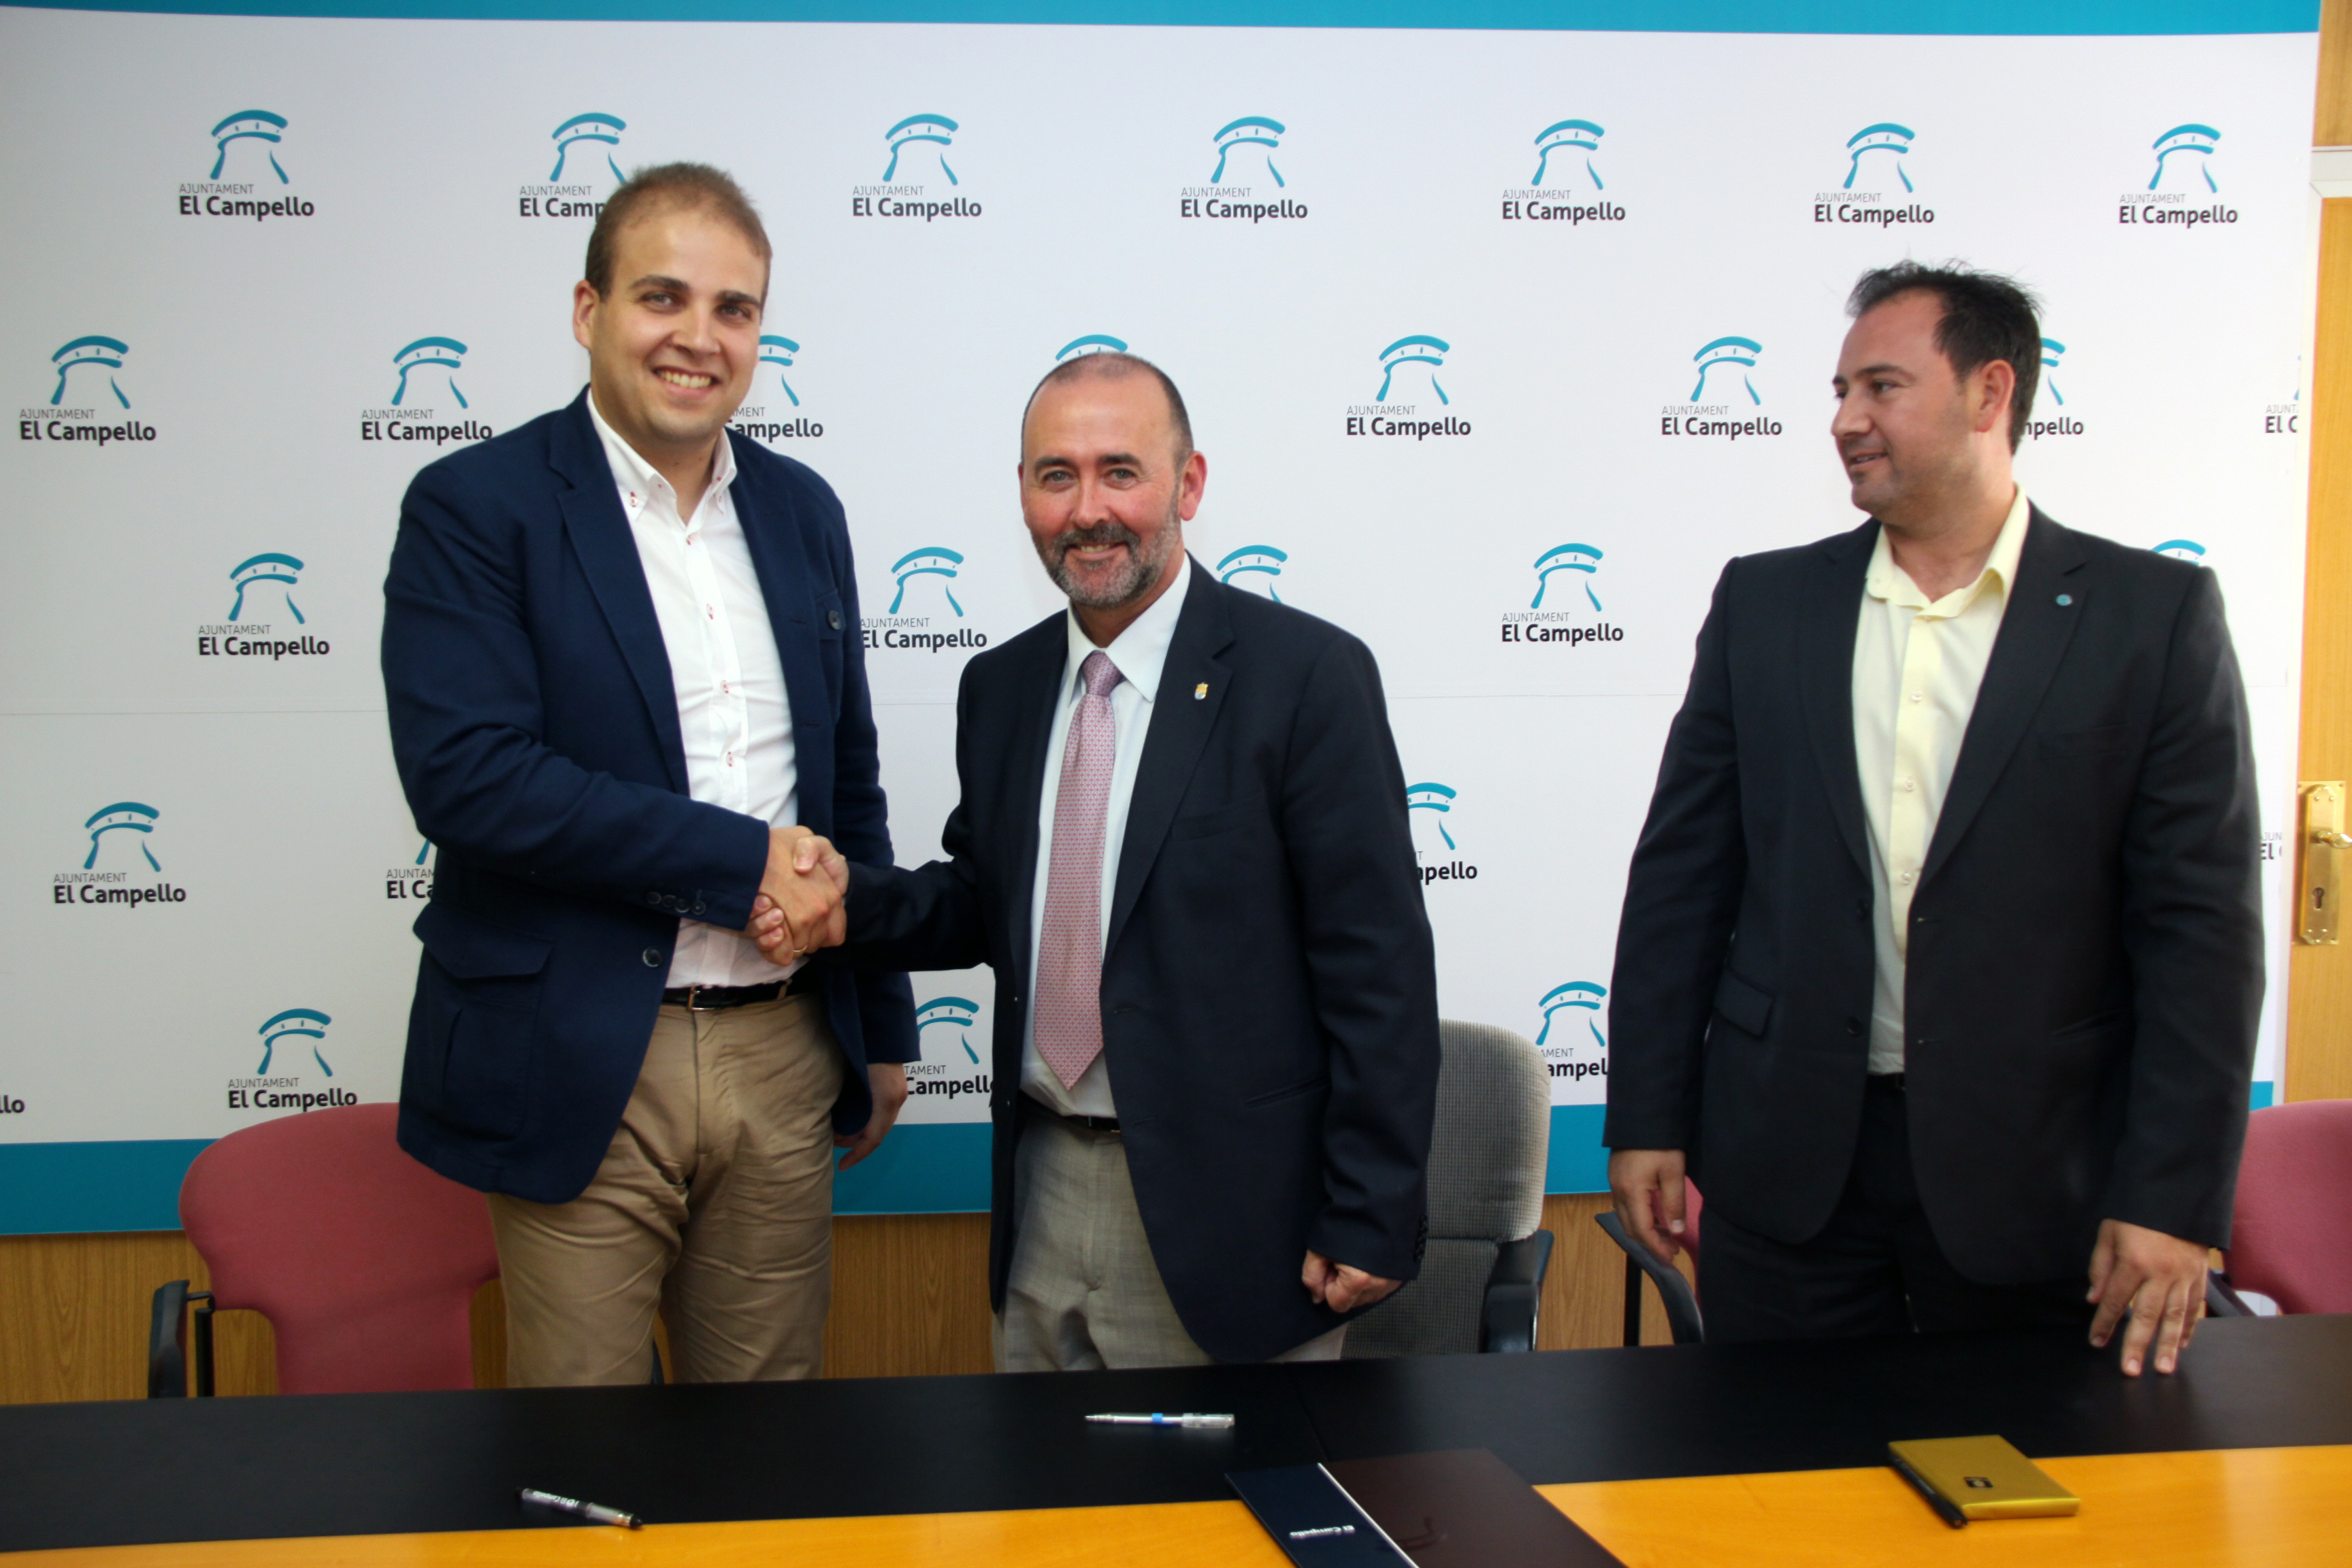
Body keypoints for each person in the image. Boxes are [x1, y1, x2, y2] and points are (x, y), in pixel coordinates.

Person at [1605, 261, 2261, 1377]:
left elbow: (2200, 936)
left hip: (2041, 1184)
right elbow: (1683, 884)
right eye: (1841, 391)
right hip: (1789, 1175)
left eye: (1881, 387)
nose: (1844, 421)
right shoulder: (1767, 604)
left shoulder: (2150, 618)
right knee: (1790, 1473)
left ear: (1989, 392)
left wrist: (2171, 1197)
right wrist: (1646, 1118)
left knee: (2031, 1481)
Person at [760, 352, 1439, 1368]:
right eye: (1057, 476)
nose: (1088, 510)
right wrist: (844, 903)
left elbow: (1378, 968)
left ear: (1188, 485)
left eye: (1121, 471)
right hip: (1039, 1192)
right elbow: (986, 901)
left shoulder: (1306, 678)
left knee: (1233, 1481)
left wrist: (1374, 1206)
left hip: (1237, 1222)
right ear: (1023, 494)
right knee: (1042, 1480)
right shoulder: (1001, 685)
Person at [380, 163, 912, 1386]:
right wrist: (743, 864)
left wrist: (881, 1023)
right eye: (662, 297)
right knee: (589, 1451)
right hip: (580, 1056)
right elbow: (471, 778)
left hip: (784, 1048)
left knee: (765, 1441)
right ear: (589, 310)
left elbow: (848, 784)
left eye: (735, 309)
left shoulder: (804, 511)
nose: (698, 337)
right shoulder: (476, 507)